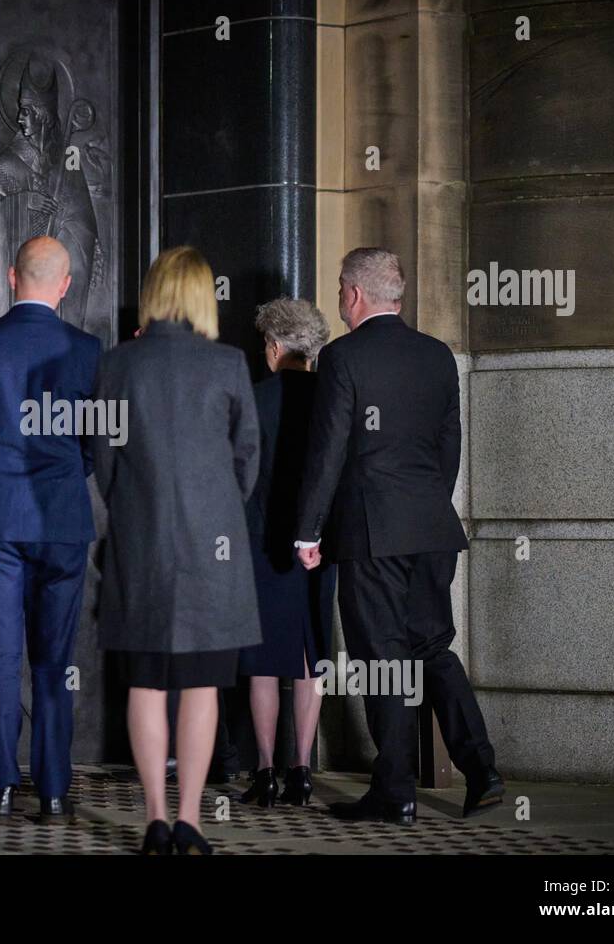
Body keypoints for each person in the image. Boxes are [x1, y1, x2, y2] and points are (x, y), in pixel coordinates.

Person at [295, 247, 503, 824]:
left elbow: (329, 450)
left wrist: (307, 531)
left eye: (340, 289)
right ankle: (482, 770)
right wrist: (426, 505)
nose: (339, 300)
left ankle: (395, 791)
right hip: (432, 526)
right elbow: (448, 446)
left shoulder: (342, 357)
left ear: (354, 294)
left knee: (384, 657)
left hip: (371, 531)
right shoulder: (437, 355)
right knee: (432, 648)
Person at [92, 246, 261, 855]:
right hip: (212, 553)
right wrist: (214, 508)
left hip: (141, 547)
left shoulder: (116, 366)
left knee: (145, 683)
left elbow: (103, 464)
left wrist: (137, 512)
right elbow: (247, 462)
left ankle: (155, 823)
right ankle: (190, 820)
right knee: (200, 687)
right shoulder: (228, 364)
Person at [0, 236, 101, 824]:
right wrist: (61, 478)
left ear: (12, 277)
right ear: (65, 285)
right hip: (60, 520)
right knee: (54, 662)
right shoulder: (87, 350)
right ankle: (55, 790)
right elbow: (94, 445)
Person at [238, 298, 336, 808]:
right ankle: (302, 771)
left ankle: (265, 772)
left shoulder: (252, 399)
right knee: (308, 656)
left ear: (274, 347)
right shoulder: (330, 397)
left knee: (261, 661)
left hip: (260, 542)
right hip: (317, 544)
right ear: (313, 349)